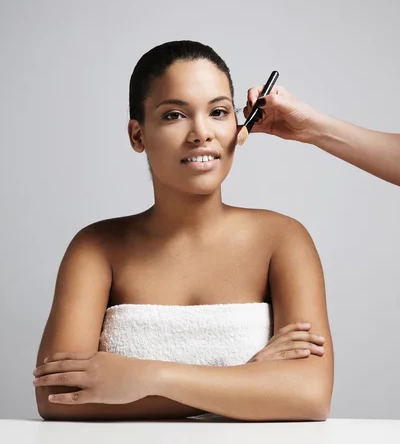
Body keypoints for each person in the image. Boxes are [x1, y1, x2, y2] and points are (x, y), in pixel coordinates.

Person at [33, 40, 334, 422]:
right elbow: (58, 395)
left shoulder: (284, 240)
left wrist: (148, 376)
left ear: (240, 129)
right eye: (175, 115)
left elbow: (309, 395)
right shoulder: (95, 248)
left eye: (219, 112)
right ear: (137, 136)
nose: (201, 133)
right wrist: (251, 381)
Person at [244, 85, 400, 186]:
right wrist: (311, 128)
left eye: (220, 112)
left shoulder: (286, 232)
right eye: (217, 112)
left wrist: (310, 128)